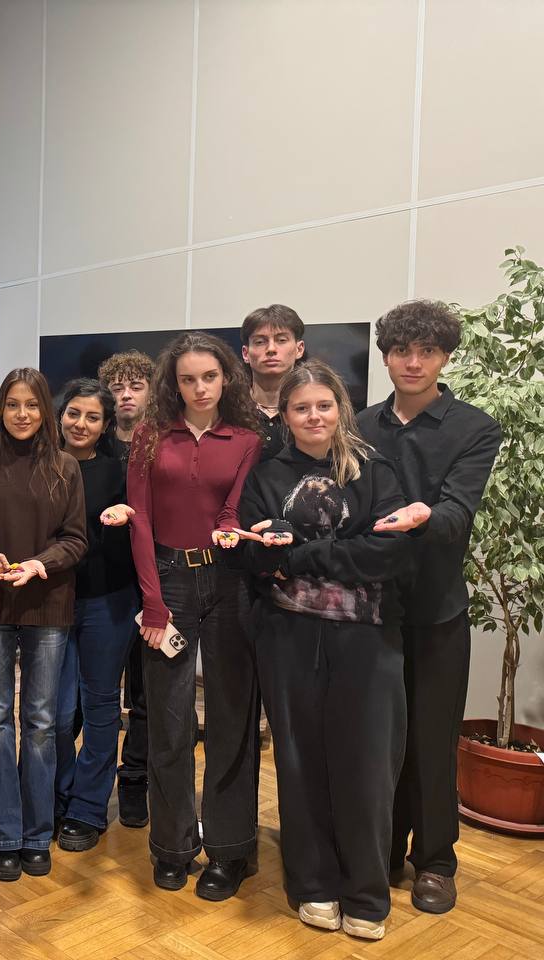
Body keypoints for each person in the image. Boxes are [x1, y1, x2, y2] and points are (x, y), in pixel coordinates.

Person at [238, 359, 423, 941]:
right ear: (285, 415)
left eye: (323, 405)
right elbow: (254, 556)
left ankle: (365, 892)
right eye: (301, 408)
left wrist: (302, 555)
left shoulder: (376, 470)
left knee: (366, 764)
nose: (313, 416)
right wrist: (334, 552)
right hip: (287, 639)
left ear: (341, 408)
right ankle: (312, 883)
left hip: (367, 638)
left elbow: (390, 555)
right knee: (298, 760)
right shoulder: (266, 476)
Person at [357, 300, 502, 916]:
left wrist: (423, 515)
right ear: (386, 356)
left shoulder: (475, 427)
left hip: (437, 610)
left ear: (445, 357)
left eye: (427, 351)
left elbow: (457, 513)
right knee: (376, 738)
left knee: (433, 740)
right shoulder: (358, 424)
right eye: (401, 351)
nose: (413, 362)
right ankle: (383, 848)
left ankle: (436, 860)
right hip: (368, 608)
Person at [126, 332, 262, 899]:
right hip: (169, 579)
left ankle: (230, 851)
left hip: (230, 582)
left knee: (232, 718)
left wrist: (230, 525)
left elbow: (235, 509)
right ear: (173, 383)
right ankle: (172, 846)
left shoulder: (248, 438)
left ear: (226, 377)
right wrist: (153, 602)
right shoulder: (150, 436)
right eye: (188, 379)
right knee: (169, 720)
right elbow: (139, 519)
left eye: (209, 377)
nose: (200, 388)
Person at [0, 367, 87, 881]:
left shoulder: (65, 468)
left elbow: (76, 539)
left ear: (45, 410)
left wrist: (40, 564)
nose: (22, 414)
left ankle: (36, 831)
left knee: (42, 722)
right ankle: (1, 833)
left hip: (47, 606)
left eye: (31, 405)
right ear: (0, 409)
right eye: (13, 404)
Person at [53, 379, 139, 853]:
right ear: (60, 415)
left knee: (102, 705)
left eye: (92, 417)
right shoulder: (42, 465)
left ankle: (87, 807)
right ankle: (56, 795)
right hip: (52, 603)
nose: (80, 424)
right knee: (55, 710)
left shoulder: (120, 472)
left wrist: (127, 516)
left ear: (106, 425)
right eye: (73, 413)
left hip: (109, 602)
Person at [98, 349, 154, 827]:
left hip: (152, 581)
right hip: (101, 583)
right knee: (95, 692)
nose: (126, 395)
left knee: (145, 692)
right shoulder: (94, 443)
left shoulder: (161, 445)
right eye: (118, 387)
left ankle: (135, 779)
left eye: (136, 386)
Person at [241, 304, 306, 461]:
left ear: (299, 349)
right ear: (245, 353)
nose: (271, 349)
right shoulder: (230, 409)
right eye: (260, 342)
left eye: (281, 340)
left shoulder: (314, 411)